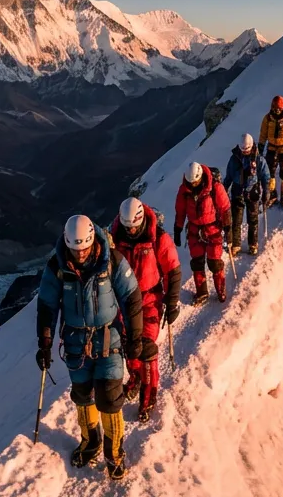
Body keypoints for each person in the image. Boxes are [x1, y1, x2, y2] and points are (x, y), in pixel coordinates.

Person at [36, 215, 146, 480]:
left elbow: (131, 299)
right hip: (76, 344)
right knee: (83, 396)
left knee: (109, 399)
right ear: (67, 243)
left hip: (109, 340)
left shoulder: (112, 261)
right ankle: (91, 441)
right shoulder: (58, 267)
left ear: (93, 241)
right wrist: (45, 343)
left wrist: (135, 338)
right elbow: (47, 306)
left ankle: (114, 452)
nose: (81, 254)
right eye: (76, 249)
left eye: (84, 248)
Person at [109, 197, 181, 423]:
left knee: (146, 347)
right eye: (127, 227)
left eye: (133, 227)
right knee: (128, 344)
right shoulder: (115, 240)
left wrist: (172, 302)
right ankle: (136, 377)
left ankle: (148, 396)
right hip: (123, 300)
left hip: (150, 298)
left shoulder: (157, 238)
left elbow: (172, 271)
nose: (130, 231)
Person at [174, 162, 232, 304]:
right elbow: (180, 211)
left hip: (213, 230)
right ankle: (202, 292)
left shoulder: (214, 187)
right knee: (197, 263)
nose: (193, 184)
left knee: (214, 262)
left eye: (195, 181)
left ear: (200, 177)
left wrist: (228, 228)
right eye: (190, 182)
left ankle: (221, 290)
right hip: (194, 231)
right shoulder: (184, 191)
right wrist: (178, 228)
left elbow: (225, 208)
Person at [223, 133, 270, 256]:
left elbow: (265, 176)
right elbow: (228, 176)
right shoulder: (234, 160)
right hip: (237, 190)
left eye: (247, 150)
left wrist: (266, 191)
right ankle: (236, 244)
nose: (245, 152)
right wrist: (223, 190)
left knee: (253, 220)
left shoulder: (259, 160)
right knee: (236, 220)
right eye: (243, 150)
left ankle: (253, 244)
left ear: (251, 146)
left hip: (252, 191)